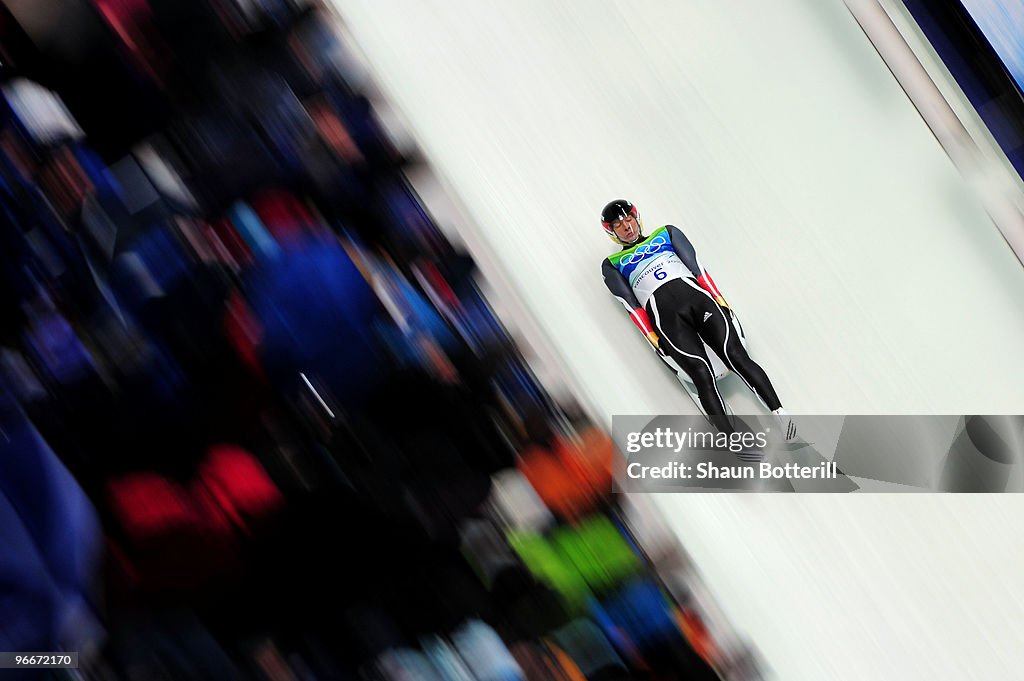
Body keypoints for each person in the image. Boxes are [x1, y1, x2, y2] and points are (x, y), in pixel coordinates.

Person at [599, 199, 795, 439]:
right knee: (701, 374)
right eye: (619, 225)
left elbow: (698, 270)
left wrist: (721, 302)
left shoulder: (667, 233)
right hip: (668, 320)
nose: (627, 226)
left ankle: (781, 417)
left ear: (636, 218)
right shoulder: (612, 265)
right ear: (611, 232)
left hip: (699, 301)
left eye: (628, 219)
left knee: (736, 355)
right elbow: (632, 306)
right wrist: (653, 339)